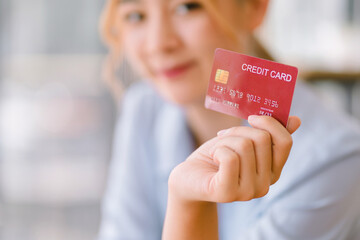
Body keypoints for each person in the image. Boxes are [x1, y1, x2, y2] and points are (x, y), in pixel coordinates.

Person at [97, 0, 360, 239]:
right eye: (135, 16)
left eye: (187, 7)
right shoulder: (144, 106)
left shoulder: (334, 157)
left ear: (255, 8)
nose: (158, 44)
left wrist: (188, 204)